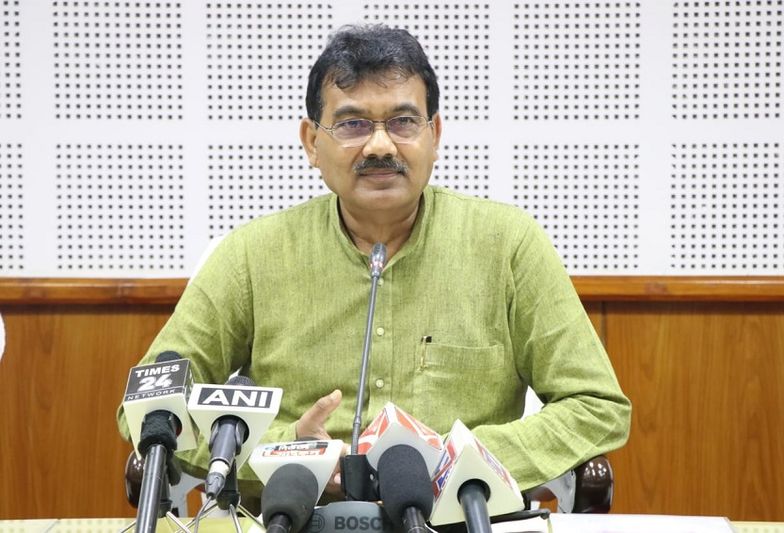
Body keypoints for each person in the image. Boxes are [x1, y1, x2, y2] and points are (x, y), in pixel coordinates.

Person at [117, 23, 631, 508]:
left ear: (434, 134)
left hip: (457, 518)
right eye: (353, 124)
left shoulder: (508, 244)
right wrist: (285, 450)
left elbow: (596, 407)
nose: (381, 145)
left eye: (403, 122)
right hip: (294, 518)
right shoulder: (252, 254)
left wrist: (459, 459)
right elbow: (149, 410)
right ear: (312, 143)